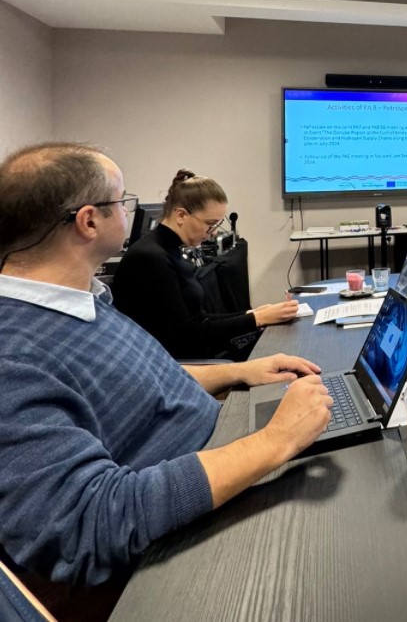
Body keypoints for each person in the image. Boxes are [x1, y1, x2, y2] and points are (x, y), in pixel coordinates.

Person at [0, 143, 332, 593]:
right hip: (182, 545)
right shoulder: (13, 356)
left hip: (224, 453)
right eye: (123, 201)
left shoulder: (84, 303)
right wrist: (276, 441)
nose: (131, 212)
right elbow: (88, 526)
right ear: (89, 221)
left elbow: (146, 380)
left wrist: (239, 372)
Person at [113, 169, 299, 360]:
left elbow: (200, 318)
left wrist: (253, 313)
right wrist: (257, 319)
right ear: (181, 215)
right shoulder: (150, 258)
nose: (213, 232)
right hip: (180, 364)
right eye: (210, 224)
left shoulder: (168, 250)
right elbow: (188, 334)